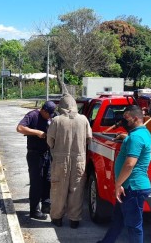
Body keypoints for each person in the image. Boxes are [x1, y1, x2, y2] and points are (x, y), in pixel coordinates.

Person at [98, 105, 151, 243]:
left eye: (126, 118)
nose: (123, 121)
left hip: (133, 188)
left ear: (135, 118)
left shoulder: (136, 137)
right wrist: (126, 137)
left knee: (134, 226)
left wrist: (118, 184)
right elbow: (134, 139)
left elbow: (129, 164)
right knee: (118, 220)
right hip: (129, 187)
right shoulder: (140, 133)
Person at [46, 93, 92, 229]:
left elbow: (50, 141)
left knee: (58, 189)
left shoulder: (57, 120)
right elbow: (89, 138)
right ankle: (74, 220)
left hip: (60, 159)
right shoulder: (83, 119)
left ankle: (57, 218)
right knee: (77, 190)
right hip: (79, 159)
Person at [16, 100, 56, 220]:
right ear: (43, 110)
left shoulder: (51, 117)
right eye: (48, 114)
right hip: (35, 154)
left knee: (47, 180)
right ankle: (34, 210)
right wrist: (37, 132)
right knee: (36, 182)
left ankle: (46, 205)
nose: (50, 117)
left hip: (47, 153)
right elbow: (19, 128)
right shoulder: (32, 115)